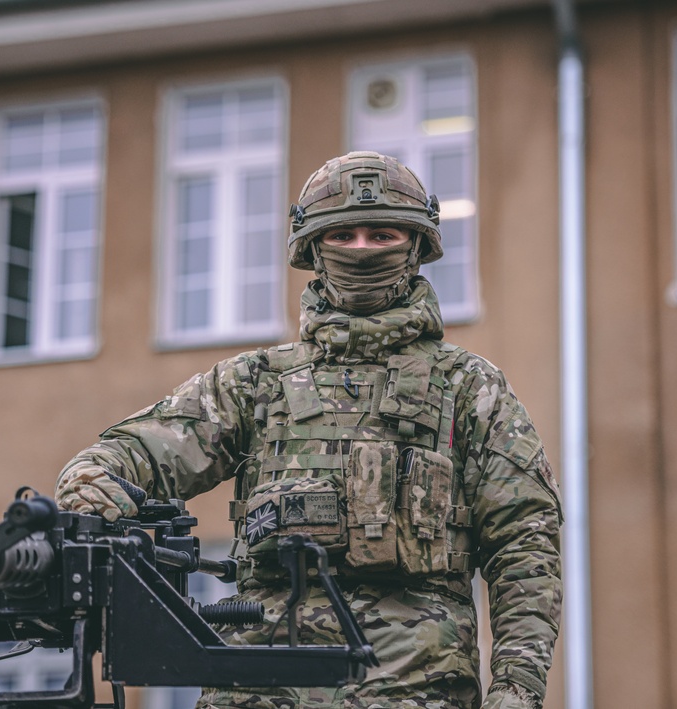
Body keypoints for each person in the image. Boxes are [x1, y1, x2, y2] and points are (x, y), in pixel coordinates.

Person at [55, 151, 562, 709]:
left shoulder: (470, 388)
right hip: (259, 687)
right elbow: (140, 451)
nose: (363, 249)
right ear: (315, 248)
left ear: (416, 246)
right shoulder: (255, 383)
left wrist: (517, 687)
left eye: (382, 233)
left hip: (417, 690)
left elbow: (526, 547)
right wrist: (91, 482)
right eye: (344, 235)